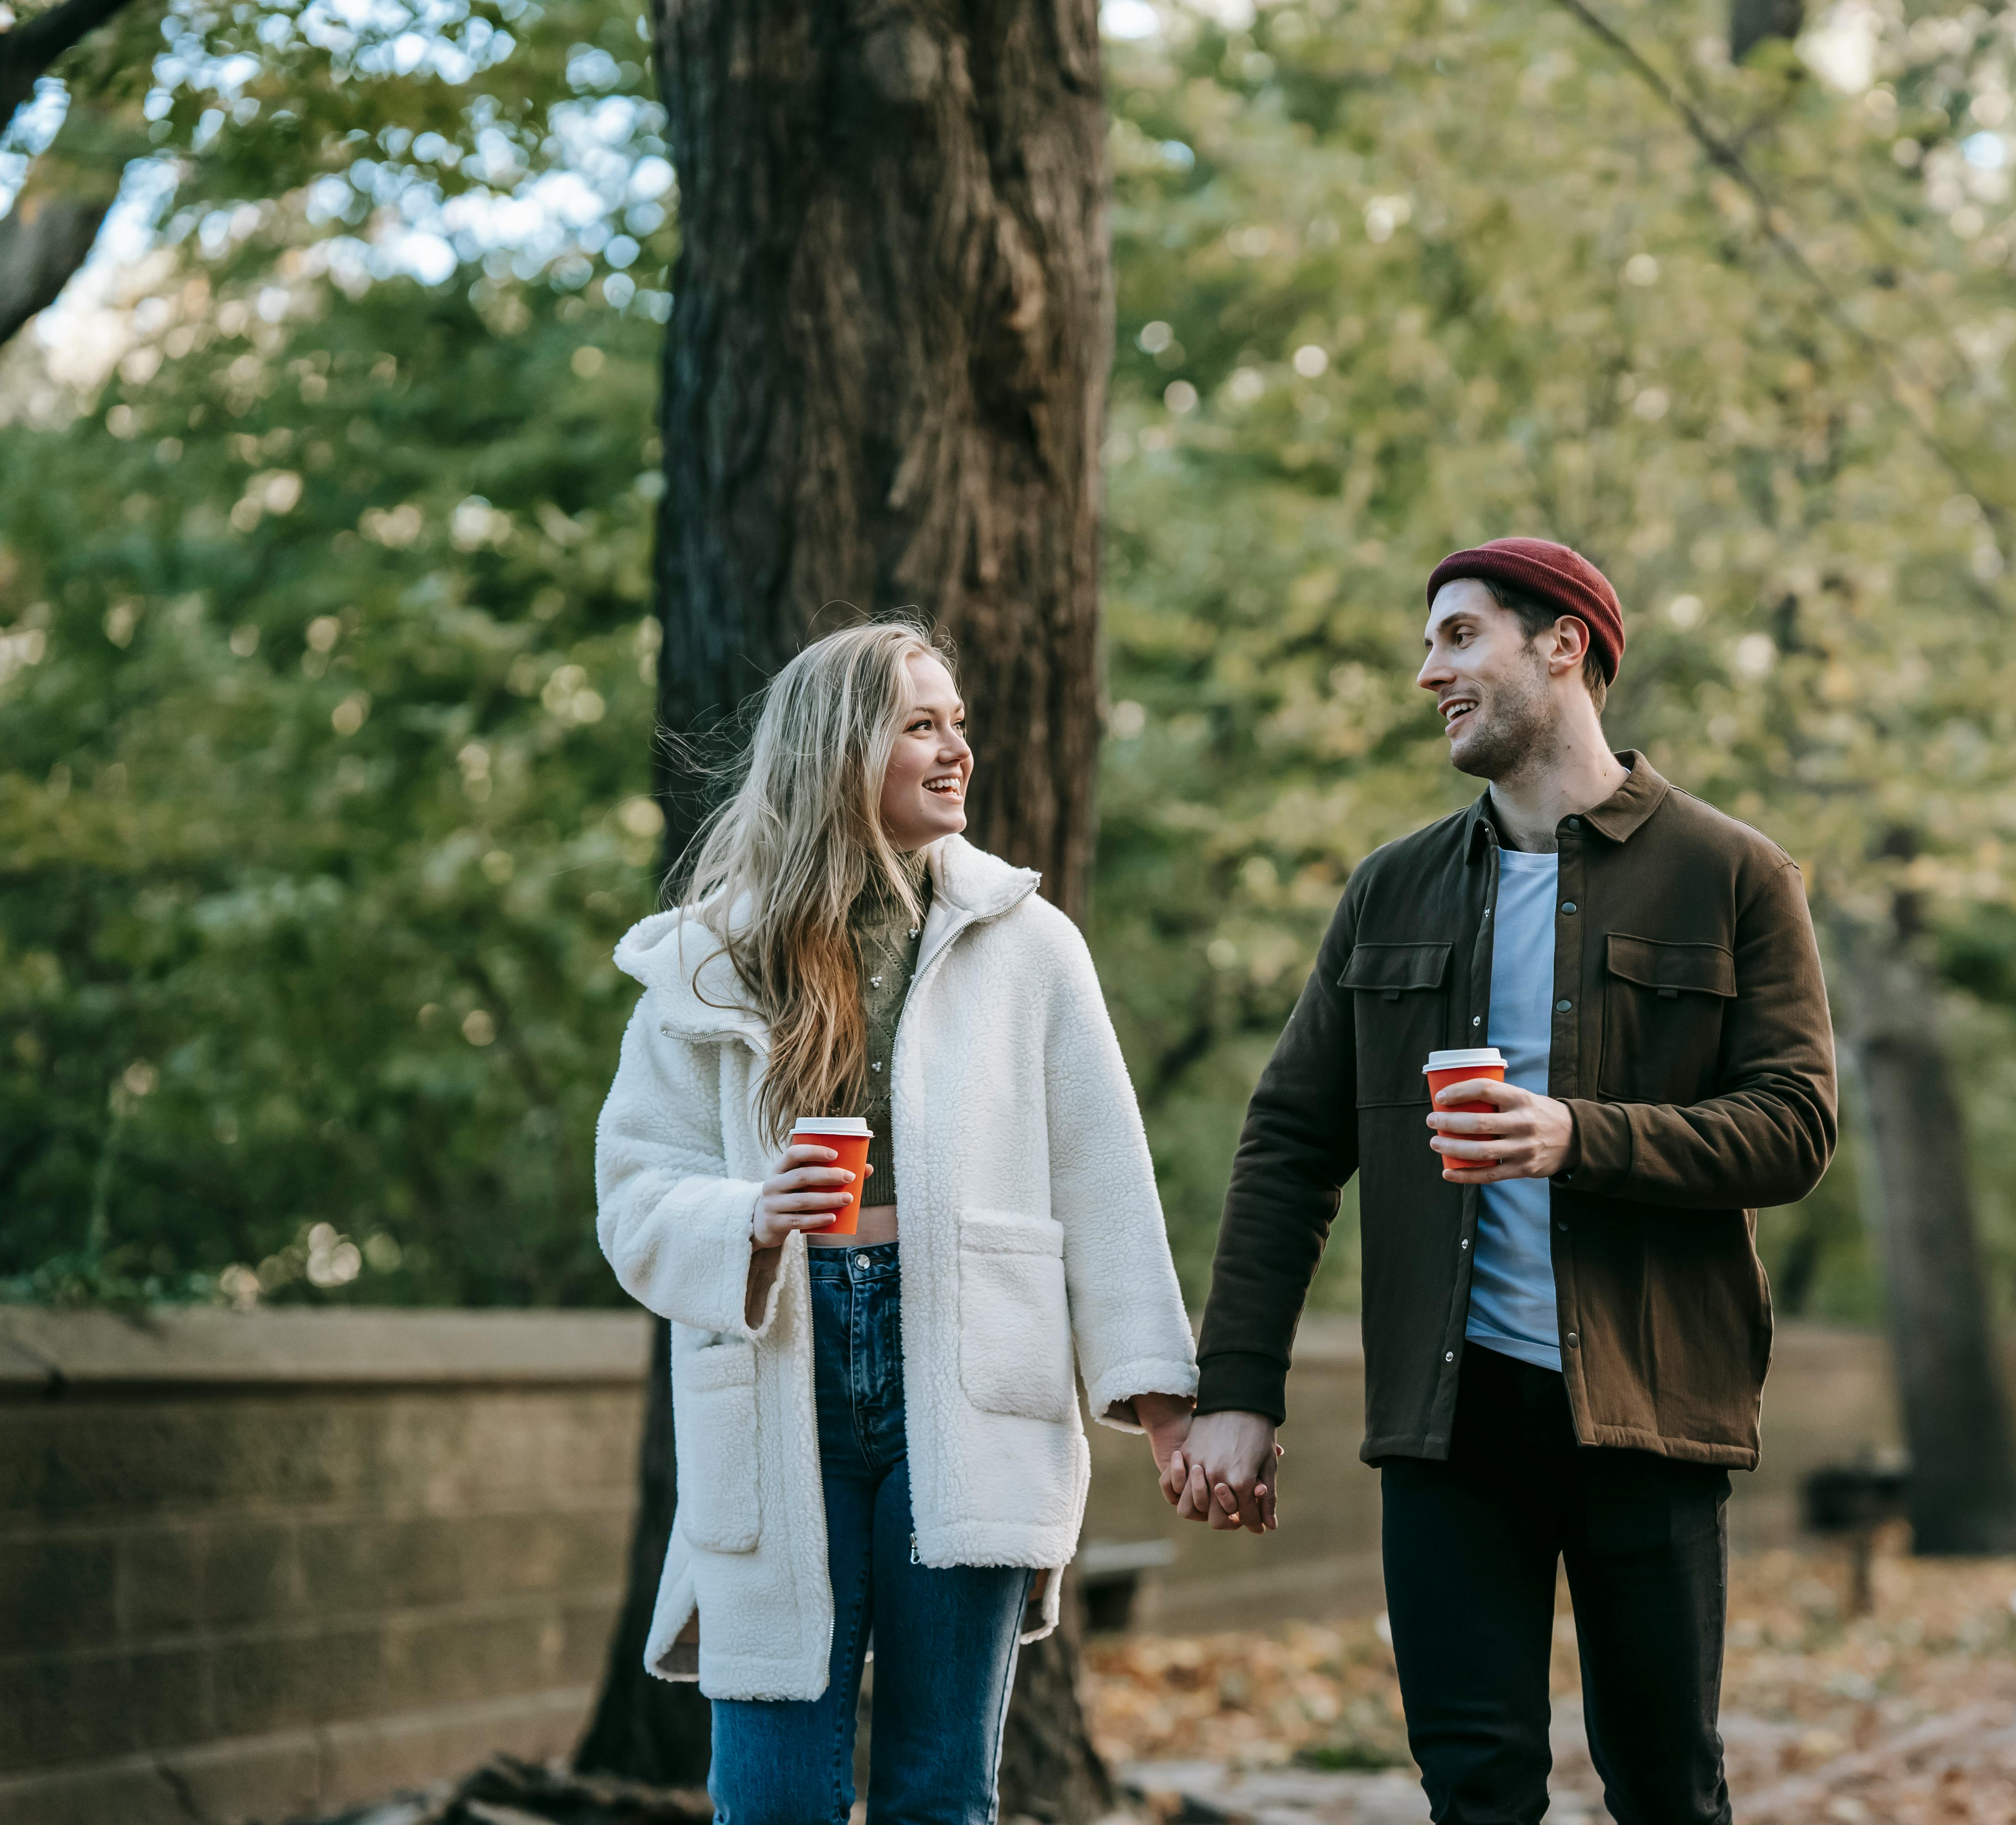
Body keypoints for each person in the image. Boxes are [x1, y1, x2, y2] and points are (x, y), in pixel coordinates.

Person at [1177, 539, 1839, 1824]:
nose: (1430, 673)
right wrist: (1239, 1393)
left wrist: (1576, 1135)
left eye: (1459, 636)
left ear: (1564, 646)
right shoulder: (1392, 890)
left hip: (1648, 1409)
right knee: (1474, 1791)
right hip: (1451, 1423)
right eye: (1431, 646)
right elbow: (1287, 1146)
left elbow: (1794, 1127)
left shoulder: (1733, 873)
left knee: (1666, 1788)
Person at [595, 619, 1198, 1825]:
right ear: (837, 749)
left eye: (957, 723)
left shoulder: (1031, 947)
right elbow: (634, 1190)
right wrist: (753, 1216)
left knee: (938, 1793)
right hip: (778, 1370)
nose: (956, 749)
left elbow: (1105, 1179)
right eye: (921, 724)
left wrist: (1166, 1405)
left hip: (970, 1369)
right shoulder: (709, 961)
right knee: (767, 1800)